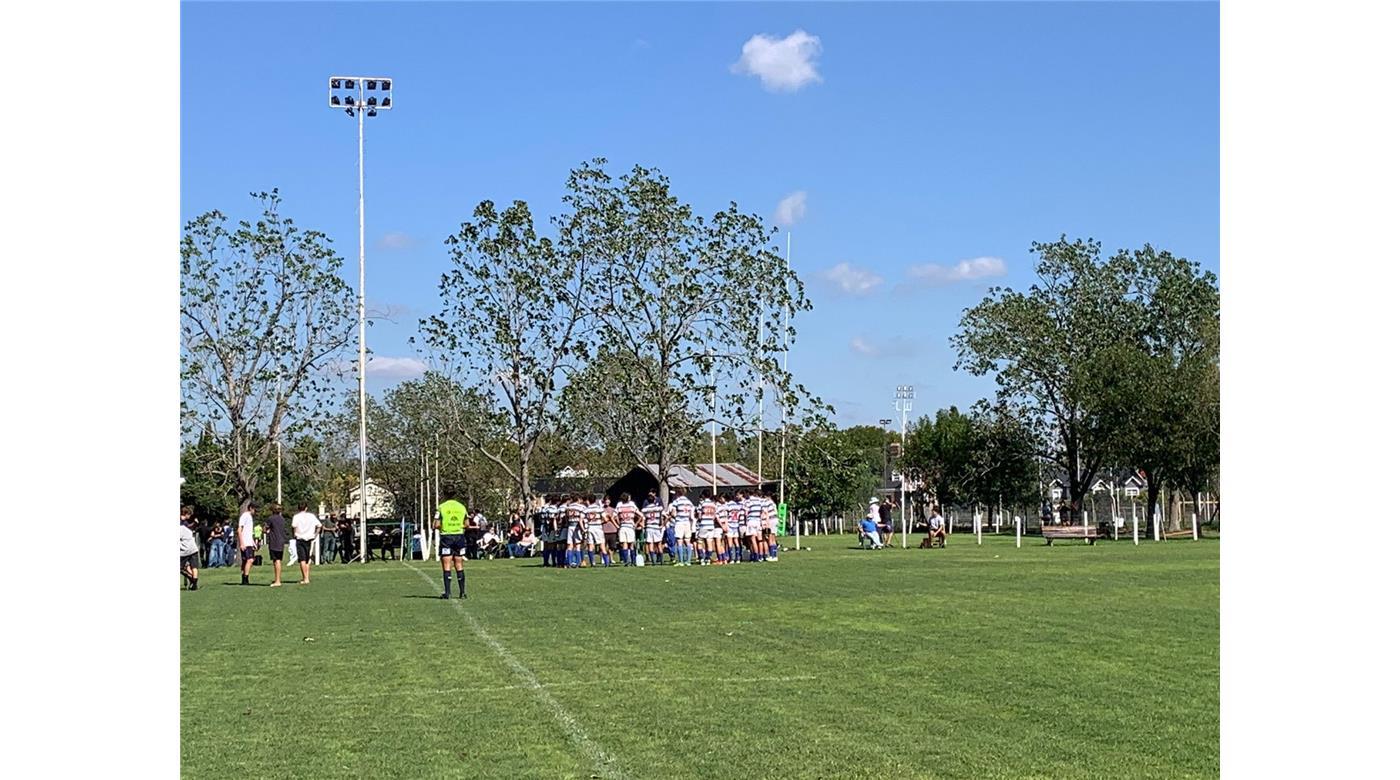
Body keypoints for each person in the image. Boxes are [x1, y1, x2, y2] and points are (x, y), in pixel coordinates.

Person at [435, 497, 469, 599]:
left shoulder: (441, 507)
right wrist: (458, 526)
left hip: (447, 537)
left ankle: (448, 592)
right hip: (459, 536)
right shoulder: (461, 507)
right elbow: (467, 524)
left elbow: (436, 524)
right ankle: (462, 592)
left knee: (446, 564)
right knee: (459, 564)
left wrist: (445, 526)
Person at [291, 503, 320, 585]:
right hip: (309, 538)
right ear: (306, 508)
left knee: (302, 559)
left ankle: (305, 578)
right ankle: (307, 576)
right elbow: (319, 526)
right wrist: (315, 534)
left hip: (300, 538)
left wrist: (294, 534)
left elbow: (294, 527)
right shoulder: (311, 516)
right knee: (307, 558)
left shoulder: (296, 517)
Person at [264, 504, 288, 587]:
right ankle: (278, 579)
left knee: (276, 561)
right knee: (278, 560)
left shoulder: (271, 519)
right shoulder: (282, 519)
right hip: (281, 541)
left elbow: (265, 528)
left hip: (274, 542)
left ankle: (277, 580)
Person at [671, 487, 696, 566]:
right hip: (687, 522)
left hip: (679, 522)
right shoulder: (689, 502)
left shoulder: (676, 501)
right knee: (688, 541)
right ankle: (688, 561)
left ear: (677, 493)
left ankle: (681, 561)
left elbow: (673, 513)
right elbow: (691, 516)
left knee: (679, 541)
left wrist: (675, 516)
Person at [614, 493, 640, 566]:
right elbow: (640, 515)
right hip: (630, 526)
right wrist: (636, 523)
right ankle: (633, 561)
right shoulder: (632, 505)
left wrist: (617, 525)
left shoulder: (619, 505)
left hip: (623, 526)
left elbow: (613, 516)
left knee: (624, 544)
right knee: (631, 544)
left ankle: (626, 561)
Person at [180, 507, 201, 590]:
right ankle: (194, 581)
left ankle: (192, 579)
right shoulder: (183, 523)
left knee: (186, 566)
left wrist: (194, 524)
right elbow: (189, 528)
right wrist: (195, 524)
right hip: (192, 547)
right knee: (193, 566)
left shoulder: (183, 523)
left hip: (185, 549)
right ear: (186, 514)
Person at [237, 501, 258, 585]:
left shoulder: (250, 517)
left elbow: (248, 532)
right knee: (250, 560)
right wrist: (242, 543)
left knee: (246, 561)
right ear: (251, 508)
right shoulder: (245, 516)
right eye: (255, 510)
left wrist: (253, 542)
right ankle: (245, 577)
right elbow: (239, 530)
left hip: (249, 542)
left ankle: (244, 577)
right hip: (245, 542)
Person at [641, 492, 665, 566]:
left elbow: (643, 515)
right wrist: (662, 524)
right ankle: (661, 560)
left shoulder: (645, 509)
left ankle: (653, 561)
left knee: (650, 543)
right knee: (658, 543)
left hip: (649, 527)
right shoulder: (658, 508)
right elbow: (663, 511)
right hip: (656, 526)